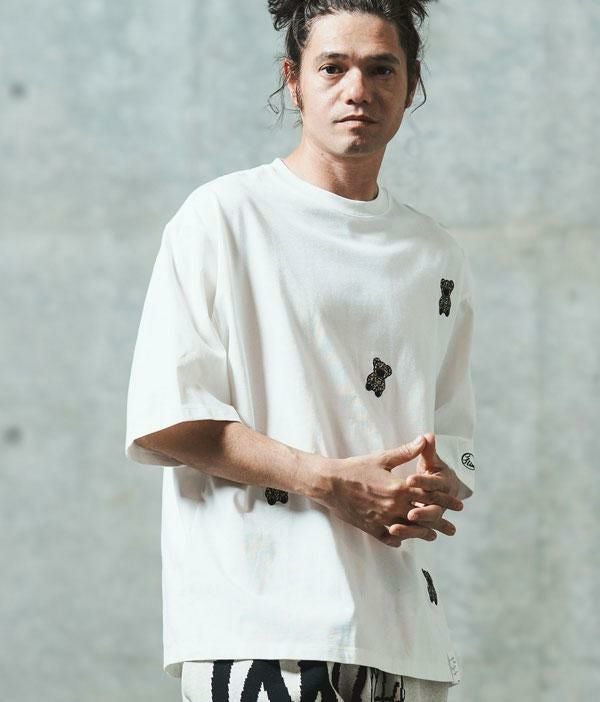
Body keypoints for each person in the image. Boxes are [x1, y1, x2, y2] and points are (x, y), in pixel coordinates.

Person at [124, 1, 478, 700]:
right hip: (262, 629)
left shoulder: (435, 253)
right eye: (333, 67)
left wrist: (435, 486)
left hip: (403, 636)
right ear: (294, 80)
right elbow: (167, 418)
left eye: (382, 69)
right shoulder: (223, 218)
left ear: (411, 84)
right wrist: (328, 480)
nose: (358, 90)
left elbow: (451, 440)